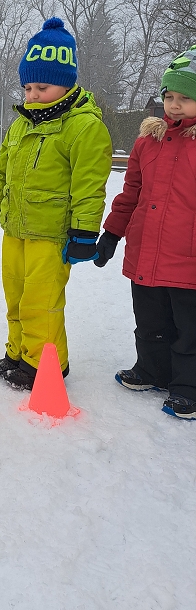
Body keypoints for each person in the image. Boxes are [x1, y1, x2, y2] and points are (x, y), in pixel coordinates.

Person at [0, 17, 112, 390]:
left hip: (51, 236)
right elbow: (2, 173)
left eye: (42, 86)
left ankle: (46, 363)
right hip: (17, 230)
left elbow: (89, 185)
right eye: (27, 87)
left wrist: (84, 232)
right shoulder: (21, 124)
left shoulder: (83, 126)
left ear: (66, 83)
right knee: (15, 296)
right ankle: (19, 352)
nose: (32, 95)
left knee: (42, 302)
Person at [96, 46, 196, 420]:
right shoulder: (146, 143)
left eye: (185, 98)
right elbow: (130, 195)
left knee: (188, 328)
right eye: (169, 96)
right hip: (146, 253)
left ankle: (188, 387)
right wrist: (111, 235)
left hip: (188, 259)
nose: (174, 105)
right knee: (150, 319)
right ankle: (152, 370)